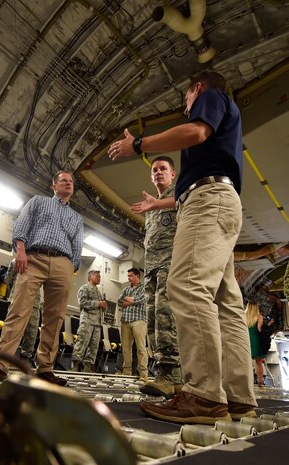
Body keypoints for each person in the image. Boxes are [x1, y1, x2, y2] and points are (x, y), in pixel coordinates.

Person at [108, 70, 257, 424]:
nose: (186, 105)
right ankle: (239, 399)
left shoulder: (211, 97)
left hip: (207, 202)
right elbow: (195, 171)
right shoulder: (224, 119)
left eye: (186, 98)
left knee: (187, 287)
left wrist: (139, 145)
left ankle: (204, 395)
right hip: (220, 199)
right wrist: (158, 205)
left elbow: (196, 131)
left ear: (197, 88)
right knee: (226, 305)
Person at [0, 171, 83, 385]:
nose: (68, 183)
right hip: (34, 258)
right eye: (63, 181)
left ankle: (45, 369)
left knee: (55, 318)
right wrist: (20, 251)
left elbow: (77, 245)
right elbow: (22, 226)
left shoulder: (77, 218)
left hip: (63, 264)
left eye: (70, 181)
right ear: (53, 186)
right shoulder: (38, 202)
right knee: (18, 310)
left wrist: (71, 266)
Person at [131, 156, 183, 398]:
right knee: (154, 322)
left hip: (170, 265)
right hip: (152, 269)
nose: (159, 173)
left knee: (166, 320)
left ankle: (168, 373)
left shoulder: (180, 194)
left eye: (164, 169)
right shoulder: (153, 204)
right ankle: (174, 380)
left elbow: (186, 206)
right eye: (155, 170)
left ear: (173, 174)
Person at [5, 258, 44, 368]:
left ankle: (24, 360)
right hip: (19, 297)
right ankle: (5, 359)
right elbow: (9, 279)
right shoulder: (16, 260)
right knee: (13, 328)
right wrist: (15, 292)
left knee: (32, 332)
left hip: (34, 302)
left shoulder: (41, 262)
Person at [72, 270, 107, 373]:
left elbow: (100, 307)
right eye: (96, 276)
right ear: (90, 277)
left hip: (97, 323)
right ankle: (75, 367)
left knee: (94, 347)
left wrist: (103, 306)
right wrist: (98, 303)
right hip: (87, 321)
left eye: (99, 276)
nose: (99, 277)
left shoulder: (98, 292)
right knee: (81, 343)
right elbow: (82, 303)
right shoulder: (84, 288)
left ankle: (87, 368)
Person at [117, 268, 147, 381]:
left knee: (141, 348)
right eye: (128, 276)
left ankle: (143, 373)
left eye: (131, 276)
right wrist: (131, 300)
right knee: (126, 348)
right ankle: (126, 372)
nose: (128, 278)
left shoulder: (143, 288)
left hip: (139, 320)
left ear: (137, 276)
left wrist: (128, 300)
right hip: (125, 321)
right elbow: (120, 302)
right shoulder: (125, 289)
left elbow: (141, 300)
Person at [245, 302, 266, 389]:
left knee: (246, 363)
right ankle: (260, 383)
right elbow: (259, 329)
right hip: (256, 341)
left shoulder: (243, 316)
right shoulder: (259, 317)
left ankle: (247, 383)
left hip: (246, 340)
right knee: (258, 363)